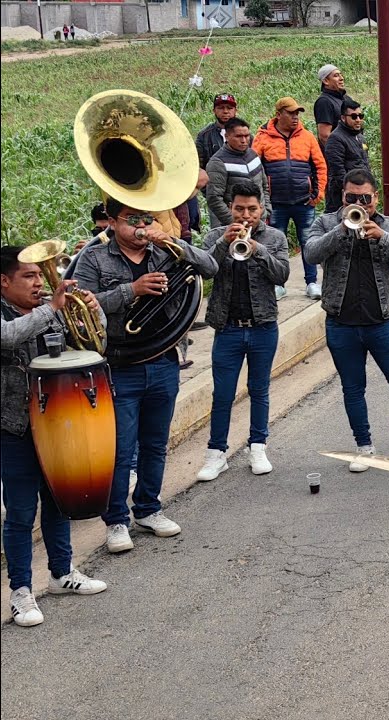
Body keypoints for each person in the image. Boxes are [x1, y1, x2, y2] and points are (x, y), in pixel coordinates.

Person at [73, 199, 218, 553]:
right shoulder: (94, 258)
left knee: (155, 443)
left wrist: (173, 241)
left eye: (147, 219)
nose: (141, 227)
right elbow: (80, 306)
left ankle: (149, 509)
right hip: (120, 364)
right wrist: (131, 291)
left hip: (164, 359)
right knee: (121, 449)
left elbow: (211, 266)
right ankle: (117, 520)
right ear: (112, 221)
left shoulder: (162, 250)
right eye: (132, 220)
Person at [2, 247, 109, 626]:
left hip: (58, 422)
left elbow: (94, 347)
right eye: (29, 276)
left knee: (58, 500)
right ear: (4, 282)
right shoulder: (13, 314)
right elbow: (7, 339)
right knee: (19, 512)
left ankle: (62, 573)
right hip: (13, 427)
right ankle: (20, 592)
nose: (39, 282)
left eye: (39, 275)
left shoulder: (52, 310)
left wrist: (92, 312)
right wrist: (53, 309)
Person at [304, 169, 389, 469]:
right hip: (341, 323)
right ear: (342, 197)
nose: (360, 204)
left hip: (382, 322)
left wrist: (383, 237)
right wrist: (341, 231)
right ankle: (364, 447)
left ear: (376, 198)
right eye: (353, 198)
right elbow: (310, 253)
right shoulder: (326, 223)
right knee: (353, 388)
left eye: (366, 198)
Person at [194, 181, 290, 482]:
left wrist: (258, 249)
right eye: (239, 209)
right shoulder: (214, 236)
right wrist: (225, 242)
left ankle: (258, 446)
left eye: (251, 209)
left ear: (261, 209)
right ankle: (216, 454)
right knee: (222, 394)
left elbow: (282, 274)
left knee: (259, 390)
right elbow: (204, 269)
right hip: (228, 328)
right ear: (230, 208)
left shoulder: (273, 237)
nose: (245, 215)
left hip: (262, 326)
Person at [254, 97, 327, 301]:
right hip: (276, 203)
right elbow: (254, 169)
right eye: (291, 113)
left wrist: (317, 194)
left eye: (297, 113)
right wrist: (262, 200)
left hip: (304, 202)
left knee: (308, 242)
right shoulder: (263, 138)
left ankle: (312, 282)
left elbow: (320, 166)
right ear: (279, 115)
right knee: (276, 243)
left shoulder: (307, 137)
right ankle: (278, 284)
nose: (295, 117)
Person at [205, 117, 269, 228]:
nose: (244, 140)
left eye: (247, 136)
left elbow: (264, 186)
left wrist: (266, 210)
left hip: (259, 222)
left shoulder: (253, 155)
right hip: (234, 227)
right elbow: (214, 198)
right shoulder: (218, 162)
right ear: (227, 136)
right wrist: (234, 222)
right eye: (238, 136)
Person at [323, 98, 370, 210]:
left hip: (361, 194)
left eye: (360, 116)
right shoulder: (335, 138)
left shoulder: (360, 137)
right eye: (353, 116)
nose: (358, 120)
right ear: (343, 118)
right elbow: (337, 172)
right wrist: (351, 193)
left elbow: (365, 163)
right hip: (342, 199)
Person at [196, 93, 240, 170]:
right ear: (214, 111)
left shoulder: (243, 134)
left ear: (235, 111)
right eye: (221, 108)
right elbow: (198, 164)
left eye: (229, 108)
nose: (225, 111)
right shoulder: (204, 135)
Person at [313, 64, 348, 148]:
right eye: (336, 76)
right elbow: (325, 136)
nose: (341, 78)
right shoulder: (324, 102)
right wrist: (337, 154)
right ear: (326, 81)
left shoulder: (346, 99)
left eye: (341, 74)